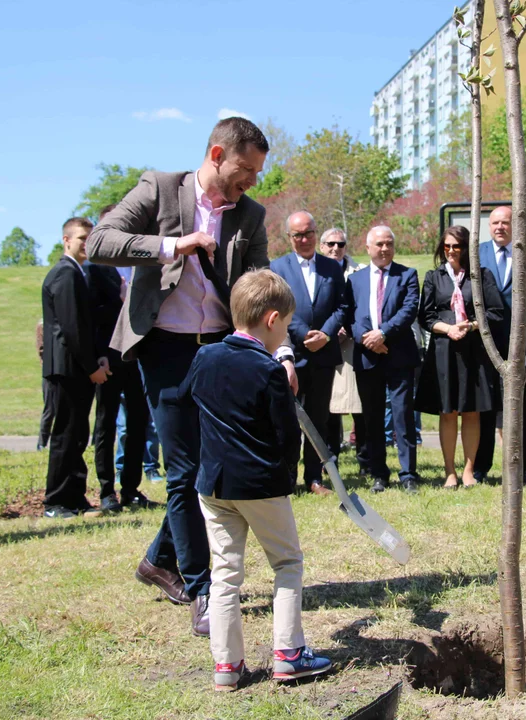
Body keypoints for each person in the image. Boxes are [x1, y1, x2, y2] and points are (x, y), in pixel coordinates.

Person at [87, 117, 290, 637]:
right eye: (245, 169)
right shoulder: (159, 188)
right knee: (184, 470)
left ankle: (158, 558)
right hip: (165, 346)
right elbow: (100, 242)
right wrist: (170, 247)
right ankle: (201, 588)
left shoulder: (251, 214)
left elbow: (262, 287)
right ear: (217, 153)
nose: (251, 181)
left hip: (221, 349)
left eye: (257, 173)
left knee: (211, 468)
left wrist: (282, 351)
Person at [183, 269, 332, 691]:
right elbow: (287, 435)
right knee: (287, 563)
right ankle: (289, 653)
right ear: (271, 319)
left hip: (212, 484)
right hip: (261, 484)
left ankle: (226, 666)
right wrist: (287, 474)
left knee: (225, 573)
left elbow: (190, 400)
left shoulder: (204, 357)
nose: (284, 332)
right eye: (285, 324)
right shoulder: (269, 370)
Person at [417, 226, 503, 489]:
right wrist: (449, 329)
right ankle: (449, 472)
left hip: (473, 352)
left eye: (457, 246)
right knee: (448, 412)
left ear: (467, 249)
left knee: (472, 411)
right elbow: (426, 316)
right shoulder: (434, 277)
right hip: (444, 351)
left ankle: (468, 471)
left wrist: (471, 326)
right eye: (447, 247)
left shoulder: (480, 276)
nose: (451, 251)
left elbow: (496, 312)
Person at [270, 212, 346, 496]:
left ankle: (314, 478)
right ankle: (286, 478)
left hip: (324, 355)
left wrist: (325, 334)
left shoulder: (332, 267)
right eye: (297, 235)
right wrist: (304, 334)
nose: (304, 239)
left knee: (319, 419)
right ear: (289, 237)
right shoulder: (277, 268)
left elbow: (343, 307)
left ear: (317, 233)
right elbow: (276, 308)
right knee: (285, 418)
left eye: (309, 233)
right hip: (289, 354)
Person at [85, 204, 155, 512]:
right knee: (107, 424)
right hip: (109, 358)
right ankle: (105, 490)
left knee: (139, 421)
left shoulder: (141, 264)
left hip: (138, 356)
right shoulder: (95, 268)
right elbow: (90, 315)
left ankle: (130, 488)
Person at [41, 218, 110, 519]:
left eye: (90, 238)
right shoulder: (66, 274)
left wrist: (99, 358)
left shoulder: (78, 273)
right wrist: (91, 366)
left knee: (78, 433)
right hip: (68, 368)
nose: (86, 243)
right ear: (65, 240)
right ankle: (56, 502)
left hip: (77, 366)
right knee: (66, 435)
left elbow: (85, 325)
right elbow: (72, 329)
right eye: (81, 238)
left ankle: (75, 496)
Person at [345, 226, 421, 493]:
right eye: (379, 244)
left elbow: (410, 309)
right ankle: (379, 473)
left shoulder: (407, 275)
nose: (384, 248)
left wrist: (384, 334)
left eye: (389, 244)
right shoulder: (355, 280)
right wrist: (367, 339)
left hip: (398, 355)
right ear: (368, 248)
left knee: (402, 416)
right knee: (372, 418)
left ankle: (408, 473)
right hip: (367, 357)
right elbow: (348, 316)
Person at [476, 206, 526, 482]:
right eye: (495, 223)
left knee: (519, 407)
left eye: (505, 223)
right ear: (489, 226)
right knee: (485, 406)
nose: (500, 227)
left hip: (519, 344)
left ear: (515, 226)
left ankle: (521, 467)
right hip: (485, 343)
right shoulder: (476, 254)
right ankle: (480, 466)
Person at [322, 228, 368, 475]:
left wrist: (348, 330)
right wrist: (328, 332)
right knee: (329, 409)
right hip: (324, 347)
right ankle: (331, 462)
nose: (335, 248)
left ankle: (365, 461)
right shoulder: (316, 270)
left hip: (353, 348)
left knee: (358, 408)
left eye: (340, 244)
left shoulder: (359, 273)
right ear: (322, 246)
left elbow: (363, 308)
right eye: (330, 243)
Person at [36, 319, 56, 451]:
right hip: (50, 371)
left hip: (57, 369)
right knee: (49, 409)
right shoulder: (43, 324)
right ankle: (42, 443)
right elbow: (42, 350)